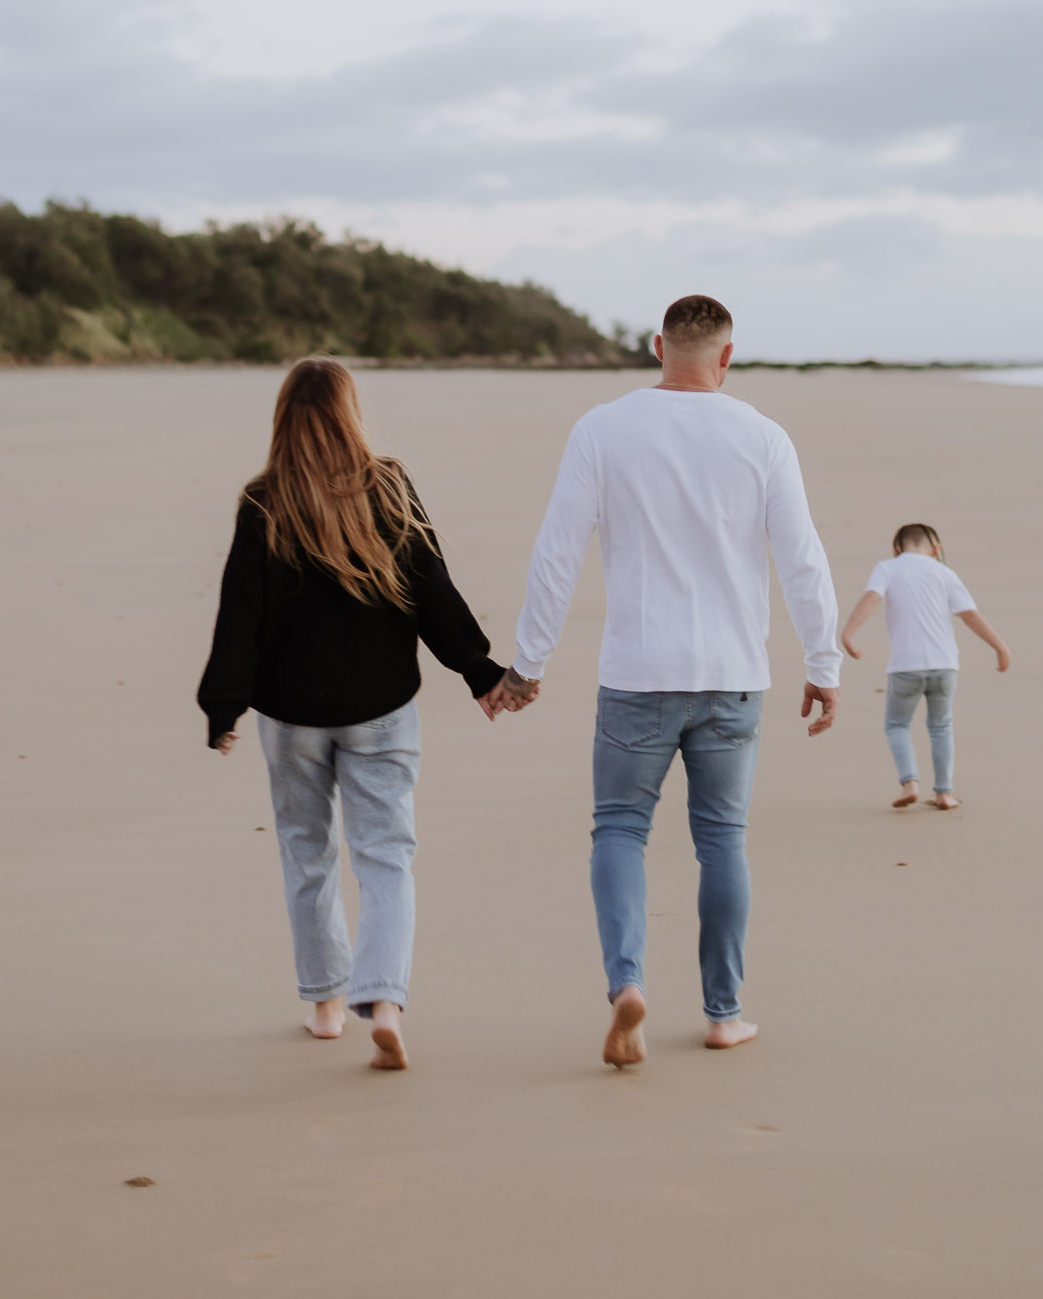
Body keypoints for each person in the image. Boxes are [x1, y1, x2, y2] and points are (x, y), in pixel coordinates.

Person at [510, 293, 841, 1069]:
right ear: (727, 356)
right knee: (722, 839)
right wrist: (822, 664)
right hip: (732, 676)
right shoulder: (763, 437)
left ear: (659, 346)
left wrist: (528, 665)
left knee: (620, 829)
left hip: (637, 674)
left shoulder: (602, 429)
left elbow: (557, 552)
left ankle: (627, 982)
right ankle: (723, 1015)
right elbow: (803, 561)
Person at [197, 357, 533, 1071]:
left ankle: (325, 1006)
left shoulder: (265, 501)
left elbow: (240, 614)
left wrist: (223, 707)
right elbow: (431, 588)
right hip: (380, 711)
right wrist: (481, 673)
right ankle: (382, 1001)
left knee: (306, 852)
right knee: (385, 856)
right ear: (351, 412)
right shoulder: (387, 485)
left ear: (283, 416)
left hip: (289, 718)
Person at [839, 524, 1010, 809]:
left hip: (906, 667)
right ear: (936, 550)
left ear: (897, 550)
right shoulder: (945, 573)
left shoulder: (888, 568)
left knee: (897, 725)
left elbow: (871, 598)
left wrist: (848, 634)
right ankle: (944, 793)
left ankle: (910, 784)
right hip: (945, 667)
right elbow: (969, 615)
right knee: (941, 727)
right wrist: (1000, 647)